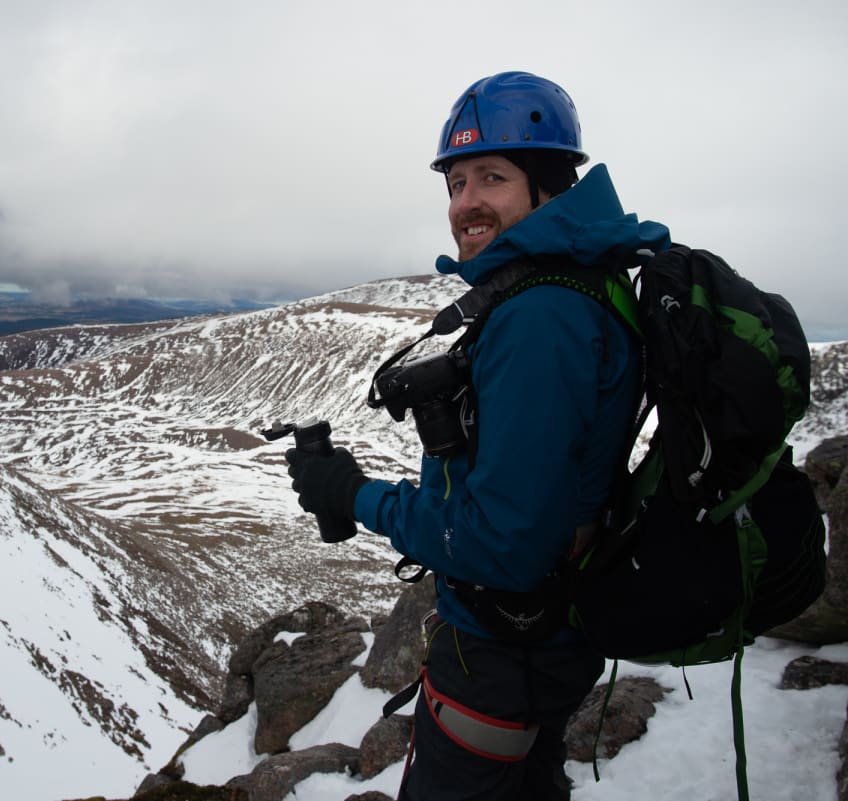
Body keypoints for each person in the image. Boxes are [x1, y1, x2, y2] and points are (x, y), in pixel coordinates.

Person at [283, 71, 671, 800]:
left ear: (550, 185)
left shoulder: (542, 313)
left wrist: (354, 493)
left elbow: (503, 545)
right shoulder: (575, 278)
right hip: (543, 639)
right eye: (456, 182)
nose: (467, 203)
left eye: (492, 176)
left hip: (502, 650)